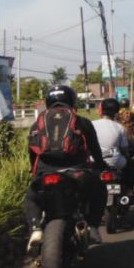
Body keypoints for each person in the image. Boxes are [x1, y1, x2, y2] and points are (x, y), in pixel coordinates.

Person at [24, 85, 108, 255]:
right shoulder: (81, 121)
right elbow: (94, 148)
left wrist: (36, 174)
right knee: (100, 188)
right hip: (77, 174)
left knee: (31, 198)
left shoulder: (37, 123)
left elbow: (32, 153)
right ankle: (92, 226)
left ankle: (35, 229)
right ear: (71, 100)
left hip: (45, 174)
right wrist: (100, 164)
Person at [93, 98, 134, 202]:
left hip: (94, 162)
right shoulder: (119, 127)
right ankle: (129, 190)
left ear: (101, 110)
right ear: (116, 112)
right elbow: (124, 150)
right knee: (131, 164)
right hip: (114, 161)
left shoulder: (91, 124)